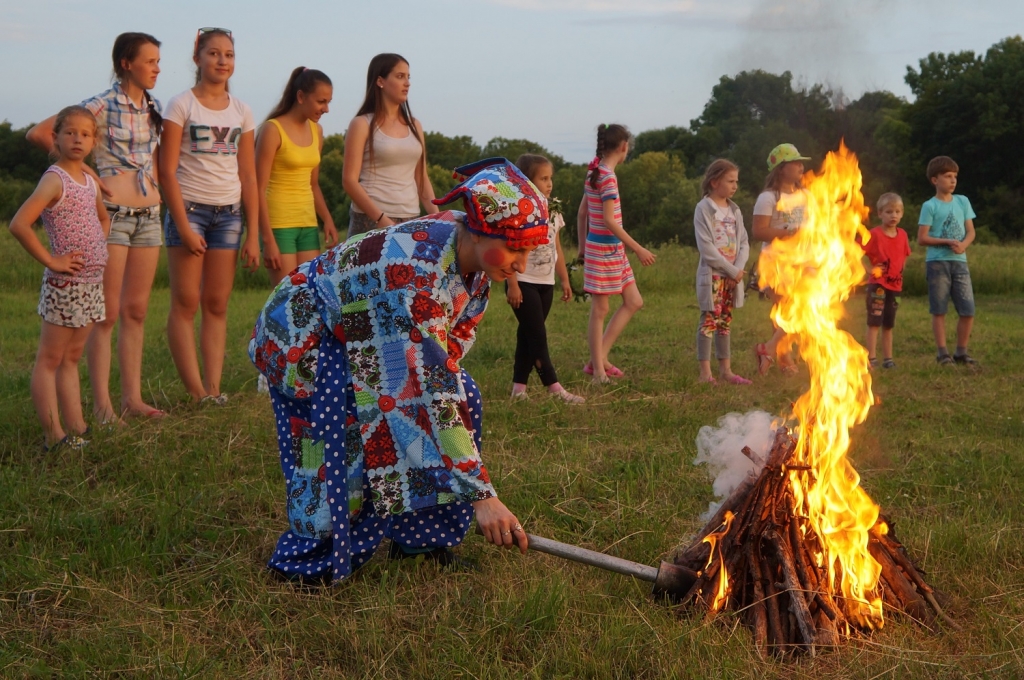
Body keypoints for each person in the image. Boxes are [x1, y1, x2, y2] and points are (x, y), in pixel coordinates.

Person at [249, 158, 543, 583]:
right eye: (514, 248)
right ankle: (310, 562)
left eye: (528, 250)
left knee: (463, 398)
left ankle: (423, 540)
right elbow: (421, 390)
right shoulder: (414, 279)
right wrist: (483, 496)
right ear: (478, 231)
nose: (521, 263)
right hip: (309, 339)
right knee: (351, 426)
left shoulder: (471, 258)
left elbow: (443, 362)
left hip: (367, 329)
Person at [26, 32, 166, 423]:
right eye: (150, 61)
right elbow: (40, 133)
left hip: (150, 216)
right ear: (126, 63)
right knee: (105, 314)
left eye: (158, 61)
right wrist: (85, 167)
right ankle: (103, 408)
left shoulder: (153, 107)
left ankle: (132, 399)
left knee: (136, 310)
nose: (157, 67)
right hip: (115, 216)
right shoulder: (99, 104)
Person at [159, 27, 260, 405]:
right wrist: (182, 227)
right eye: (214, 53)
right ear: (197, 57)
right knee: (185, 303)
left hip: (230, 215)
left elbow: (248, 175)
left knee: (217, 304)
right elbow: (166, 172)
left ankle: (214, 391)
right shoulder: (181, 104)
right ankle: (195, 392)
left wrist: (252, 233)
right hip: (190, 211)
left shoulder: (242, 110)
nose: (222, 61)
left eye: (229, 55)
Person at [9, 106, 110, 451]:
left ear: (94, 140)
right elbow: (19, 224)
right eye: (70, 133)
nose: (78, 139)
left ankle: (77, 428)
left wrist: (97, 247)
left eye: (85, 134)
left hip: (90, 284)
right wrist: (53, 260)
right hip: (64, 286)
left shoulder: (89, 180)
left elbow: (102, 220)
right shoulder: (55, 179)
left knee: (72, 358)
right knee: (50, 359)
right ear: (55, 138)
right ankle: (54, 437)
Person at [579, 124, 656, 384]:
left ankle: (598, 358)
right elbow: (610, 221)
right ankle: (598, 371)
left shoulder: (596, 170)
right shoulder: (606, 176)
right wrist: (638, 248)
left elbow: (583, 213)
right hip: (604, 251)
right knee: (600, 309)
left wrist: (581, 247)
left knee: (634, 301)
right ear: (623, 147)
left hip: (612, 251)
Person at [505, 154, 584, 404]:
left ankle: (519, 389)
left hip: (546, 282)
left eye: (551, 178)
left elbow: (556, 247)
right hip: (524, 281)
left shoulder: (554, 208)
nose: (550, 183)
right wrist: (513, 284)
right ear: (527, 181)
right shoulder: (519, 211)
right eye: (544, 178)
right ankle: (554, 387)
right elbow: (510, 251)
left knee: (527, 335)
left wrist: (564, 279)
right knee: (538, 335)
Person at [255, 67, 339, 287]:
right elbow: (258, 188)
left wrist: (327, 220)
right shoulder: (273, 129)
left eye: (328, 102)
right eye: (321, 101)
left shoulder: (317, 131)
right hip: (279, 224)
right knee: (286, 296)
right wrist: (267, 239)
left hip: (308, 223)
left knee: (308, 294)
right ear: (301, 96)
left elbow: (314, 184)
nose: (326, 108)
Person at [342, 53, 437, 239]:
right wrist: (381, 219)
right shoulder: (362, 124)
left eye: (408, 77)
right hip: (371, 219)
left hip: (410, 217)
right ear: (380, 81)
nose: (407, 83)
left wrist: (438, 217)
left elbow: (421, 178)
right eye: (400, 76)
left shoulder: (415, 125)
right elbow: (349, 181)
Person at [752, 143, 810, 375]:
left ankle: (770, 350)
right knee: (784, 311)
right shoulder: (768, 198)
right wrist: (787, 233)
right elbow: (759, 231)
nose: (801, 166)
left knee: (801, 309)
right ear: (781, 168)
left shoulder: (805, 195)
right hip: (776, 262)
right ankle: (782, 357)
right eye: (795, 162)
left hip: (804, 261)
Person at [693, 159, 751, 385]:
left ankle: (726, 370)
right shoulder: (704, 208)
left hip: (732, 277)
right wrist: (729, 270)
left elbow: (744, 242)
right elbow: (706, 248)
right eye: (730, 181)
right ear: (715, 182)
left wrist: (737, 270)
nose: (735, 186)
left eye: (736, 181)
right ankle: (705, 373)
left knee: (725, 321)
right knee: (710, 319)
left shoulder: (735, 210)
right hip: (715, 276)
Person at [917, 156, 977, 367]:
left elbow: (970, 231)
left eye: (955, 177)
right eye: (948, 176)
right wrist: (946, 241)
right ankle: (942, 353)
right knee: (939, 309)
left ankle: (961, 352)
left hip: (960, 262)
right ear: (935, 180)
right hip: (937, 263)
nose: (953, 181)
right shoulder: (930, 205)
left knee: (968, 310)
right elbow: (922, 238)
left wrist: (963, 245)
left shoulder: (963, 201)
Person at [861, 193, 911, 370]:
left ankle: (888, 359)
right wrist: (869, 269)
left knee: (889, 322)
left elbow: (904, 255)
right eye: (889, 212)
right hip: (878, 286)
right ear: (880, 213)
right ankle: (871, 358)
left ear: (902, 214)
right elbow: (858, 253)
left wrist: (900, 271)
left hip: (896, 286)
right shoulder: (874, 234)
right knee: (875, 321)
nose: (893, 215)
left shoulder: (903, 235)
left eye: (897, 212)